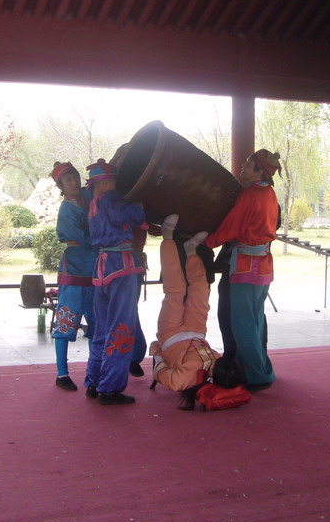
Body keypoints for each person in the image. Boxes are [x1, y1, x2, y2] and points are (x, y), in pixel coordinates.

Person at [204, 149, 282, 391]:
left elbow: (231, 227)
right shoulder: (269, 193)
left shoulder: (250, 195)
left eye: (249, 165)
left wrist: (207, 241)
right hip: (263, 264)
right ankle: (256, 369)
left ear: (260, 171)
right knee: (255, 320)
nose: (243, 167)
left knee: (242, 324)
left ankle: (257, 375)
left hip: (245, 264)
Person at [84, 158, 147, 405]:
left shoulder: (93, 205)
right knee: (122, 327)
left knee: (102, 327)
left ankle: (93, 381)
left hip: (101, 270)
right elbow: (133, 215)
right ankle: (110, 388)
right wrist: (139, 206)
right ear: (107, 182)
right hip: (121, 267)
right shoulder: (111, 200)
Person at [148, 214, 216, 392]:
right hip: (197, 331)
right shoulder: (221, 368)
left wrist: (158, 355)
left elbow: (164, 376)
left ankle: (168, 237)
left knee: (176, 290)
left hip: (171, 335)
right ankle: (190, 250)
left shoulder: (184, 380)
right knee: (201, 289)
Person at [48, 161, 96, 391]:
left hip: (96, 267)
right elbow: (87, 238)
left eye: (75, 177)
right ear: (61, 185)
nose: (74, 182)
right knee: (67, 321)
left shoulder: (89, 195)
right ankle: (62, 373)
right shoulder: (67, 210)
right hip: (76, 268)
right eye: (68, 180)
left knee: (99, 321)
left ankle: (97, 370)